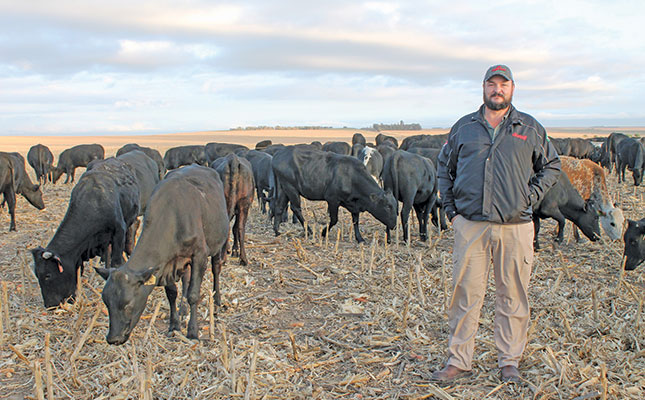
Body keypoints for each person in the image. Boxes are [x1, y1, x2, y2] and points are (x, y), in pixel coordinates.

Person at [433, 64, 561, 383]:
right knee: (465, 293)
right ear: (484, 88)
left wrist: (528, 197)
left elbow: (552, 166)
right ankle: (459, 361)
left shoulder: (529, 128)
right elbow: (443, 169)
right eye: (492, 84)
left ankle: (509, 362)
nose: (497, 90)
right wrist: (452, 211)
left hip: (515, 226)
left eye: (503, 85)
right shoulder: (464, 128)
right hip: (471, 226)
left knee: (513, 294)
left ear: (512, 89)